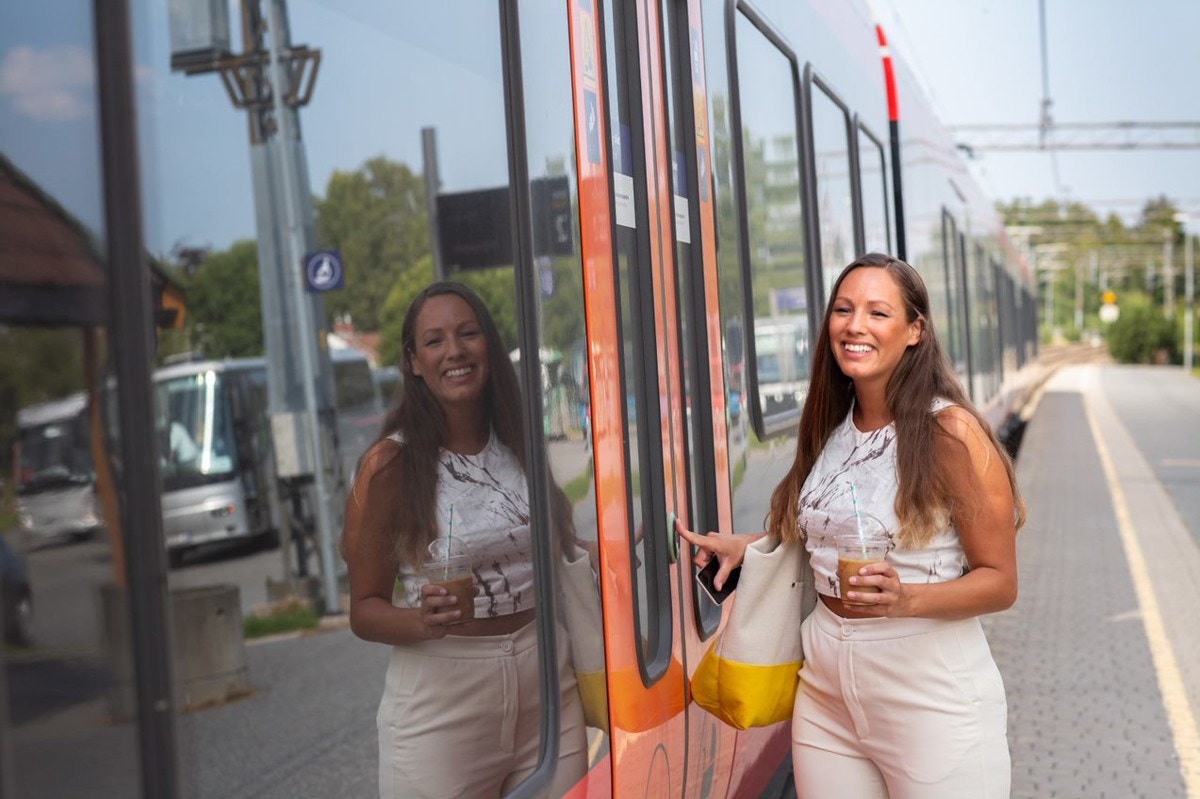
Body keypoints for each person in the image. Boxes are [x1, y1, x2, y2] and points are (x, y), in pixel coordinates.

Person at [679, 252, 1024, 797]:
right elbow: (824, 530)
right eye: (843, 309)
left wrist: (905, 599)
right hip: (826, 688)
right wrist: (751, 547)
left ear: (915, 330)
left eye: (877, 313)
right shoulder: (829, 426)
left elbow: (1000, 582)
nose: (855, 325)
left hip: (928, 690)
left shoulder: (951, 433)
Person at [341, 280, 588, 798]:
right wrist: (419, 619)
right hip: (441, 700)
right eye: (434, 341)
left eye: (468, 334)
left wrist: (616, 542)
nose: (454, 351)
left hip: (547, 680)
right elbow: (363, 610)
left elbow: (557, 548)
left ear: (488, 347)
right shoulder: (390, 465)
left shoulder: (519, 442)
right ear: (413, 361)